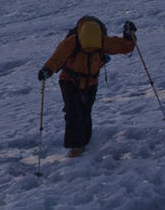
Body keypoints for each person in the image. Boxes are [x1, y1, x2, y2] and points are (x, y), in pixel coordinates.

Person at [37, 16, 136, 157]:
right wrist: (48, 69)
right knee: (74, 113)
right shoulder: (74, 42)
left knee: (84, 112)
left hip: (88, 82)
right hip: (69, 81)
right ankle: (76, 147)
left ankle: (84, 143)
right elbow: (58, 57)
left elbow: (125, 46)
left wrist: (129, 36)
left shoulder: (99, 40)